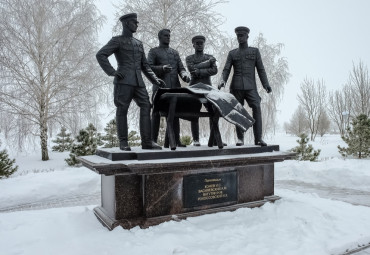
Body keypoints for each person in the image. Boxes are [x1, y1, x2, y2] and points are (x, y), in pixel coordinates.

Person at [96, 13, 165, 151]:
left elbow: (145, 66)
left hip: (138, 82)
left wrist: (155, 80)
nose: (137, 24)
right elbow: (101, 54)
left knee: (146, 106)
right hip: (123, 81)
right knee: (122, 109)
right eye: (134, 22)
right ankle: (123, 142)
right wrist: (112, 72)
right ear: (126, 23)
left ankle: (147, 142)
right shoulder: (117, 41)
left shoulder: (139, 44)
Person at [218, 26, 272, 146]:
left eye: (242, 35)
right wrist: (222, 81)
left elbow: (261, 69)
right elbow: (226, 69)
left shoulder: (254, 51)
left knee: (257, 107)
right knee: (238, 110)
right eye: (238, 36)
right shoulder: (232, 53)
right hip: (236, 87)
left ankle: (258, 138)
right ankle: (240, 138)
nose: (240, 38)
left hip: (251, 87)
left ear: (247, 36)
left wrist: (266, 84)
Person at [148, 29, 191, 147]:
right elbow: (148, 67)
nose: (168, 37)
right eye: (166, 36)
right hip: (160, 89)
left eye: (169, 36)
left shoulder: (174, 53)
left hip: (175, 88)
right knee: (156, 113)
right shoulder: (154, 52)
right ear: (159, 37)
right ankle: (152, 140)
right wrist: (161, 68)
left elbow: (181, 68)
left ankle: (175, 140)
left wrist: (184, 75)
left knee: (174, 113)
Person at [185, 35, 218, 146]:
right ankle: (196, 140)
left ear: (204, 44)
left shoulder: (210, 56)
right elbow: (192, 71)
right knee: (194, 113)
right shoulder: (189, 58)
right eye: (197, 43)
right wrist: (207, 64)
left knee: (213, 112)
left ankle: (214, 138)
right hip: (194, 87)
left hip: (208, 88)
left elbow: (215, 70)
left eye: (201, 43)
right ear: (193, 44)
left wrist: (199, 70)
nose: (199, 45)